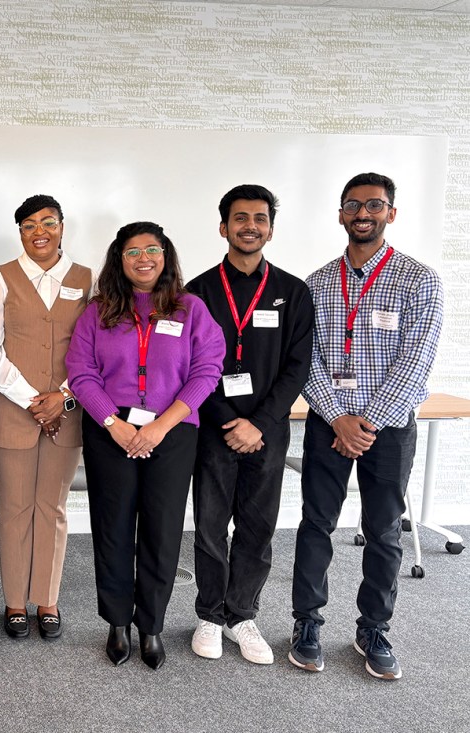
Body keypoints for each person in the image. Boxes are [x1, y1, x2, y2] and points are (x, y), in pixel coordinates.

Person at [290, 172, 443, 681]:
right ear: (340, 214)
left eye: (374, 206)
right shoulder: (314, 284)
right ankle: (306, 623)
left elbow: (415, 362)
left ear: (391, 214)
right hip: (328, 421)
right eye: (353, 205)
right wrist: (338, 417)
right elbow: (306, 360)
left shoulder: (419, 280)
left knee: (382, 532)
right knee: (316, 524)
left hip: (390, 428)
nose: (363, 213)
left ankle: (373, 628)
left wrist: (365, 423)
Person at [66, 221, 224, 670]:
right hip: (109, 430)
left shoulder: (189, 309)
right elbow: (80, 371)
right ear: (119, 260)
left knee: (162, 530)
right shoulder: (98, 312)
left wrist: (160, 426)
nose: (143, 258)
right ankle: (117, 622)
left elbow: (207, 370)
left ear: (165, 255)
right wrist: (112, 423)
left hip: (172, 434)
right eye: (132, 251)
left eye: (151, 249)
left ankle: (150, 624)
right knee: (113, 528)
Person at [185, 185, 314, 665]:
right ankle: (208, 615)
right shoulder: (196, 292)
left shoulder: (292, 292)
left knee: (258, 526)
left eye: (259, 219)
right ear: (223, 227)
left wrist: (258, 423)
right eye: (240, 218)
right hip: (213, 427)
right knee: (211, 526)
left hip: (268, 429)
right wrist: (227, 419)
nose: (250, 226)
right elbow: (191, 365)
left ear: (270, 229)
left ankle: (242, 615)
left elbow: (297, 366)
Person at [0, 194, 90, 640]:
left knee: (53, 508)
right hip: (12, 411)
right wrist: (33, 399)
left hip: (68, 412)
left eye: (48, 222)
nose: (39, 231)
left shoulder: (88, 280)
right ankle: (13, 603)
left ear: (63, 227)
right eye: (29, 225)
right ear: (20, 232)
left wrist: (61, 398)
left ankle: (46, 599)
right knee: (13, 508)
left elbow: (93, 351)